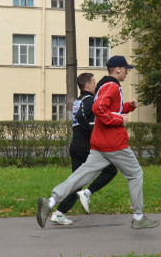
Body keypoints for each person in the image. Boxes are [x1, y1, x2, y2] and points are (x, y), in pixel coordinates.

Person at [37, 55, 160, 230]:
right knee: (135, 173)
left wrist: (128, 107)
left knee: (82, 175)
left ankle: (50, 202)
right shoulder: (112, 86)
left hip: (99, 142)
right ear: (118, 69)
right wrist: (119, 120)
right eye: (126, 69)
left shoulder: (103, 84)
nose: (127, 72)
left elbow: (109, 109)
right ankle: (139, 217)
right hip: (114, 143)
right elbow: (99, 109)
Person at [50, 73, 118, 225]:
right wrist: (92, 133)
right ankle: (88, 193)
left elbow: (80, 117)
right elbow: (82, 117)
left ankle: (59, 213)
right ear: (87, 86)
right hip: (86, 147)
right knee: (111, 169)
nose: (96, 86)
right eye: (94, 83)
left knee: (77, 181)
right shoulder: (89, 100)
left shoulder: (78, 101)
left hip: (76, 145)